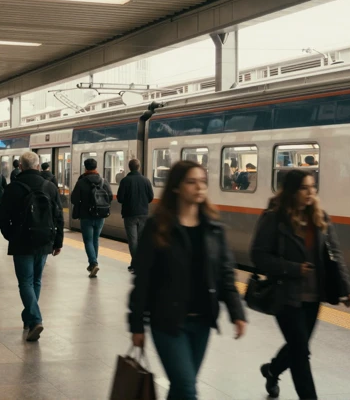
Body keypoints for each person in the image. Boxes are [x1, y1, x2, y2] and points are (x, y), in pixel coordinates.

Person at [129, 161, 246, 400]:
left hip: (202, 321)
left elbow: (225, 274)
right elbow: (143, 280)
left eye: (203, 182)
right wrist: (137, 324)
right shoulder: (158, 227)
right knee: (187, 388)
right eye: (191, 182)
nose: (199, 188)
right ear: (176, 187)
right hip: (168, 321)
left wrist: (237, 311)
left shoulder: (213, 228)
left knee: (182, 386)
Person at [251, 169, 350, 400]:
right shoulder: (274, 218)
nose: (311, 192)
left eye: (313, 187)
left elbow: (335, 254)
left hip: (313, 296)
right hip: (285, 295)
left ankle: (272, 370)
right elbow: (258, 255)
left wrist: (347, 288)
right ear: (291, 191)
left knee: (298, 347)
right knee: (301, 352)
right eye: (304, 188)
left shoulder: (320, 217)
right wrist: (292, 268)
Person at [0, 151, 63, 342]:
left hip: (21, 242)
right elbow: (58, 216)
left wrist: (11, 235)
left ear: (21, 167)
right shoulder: (50, 187)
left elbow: (2, 216)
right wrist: (57, 242)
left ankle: (35, 319)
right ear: (37, 166)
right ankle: (29, 317)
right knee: (36, 281)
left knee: (25, 282)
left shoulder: (13, 188)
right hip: (44, 241)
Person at [71, 158, 113, 278]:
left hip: (86, 215)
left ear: (85, 167)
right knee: (95, 239)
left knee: (88, 240)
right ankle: (93, 263)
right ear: (96, 167)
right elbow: (110, 196)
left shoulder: (81, 181)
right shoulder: (103, 181)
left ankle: (93, 263)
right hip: (100, 215)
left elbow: (74, 199)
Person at [117, 159, 154, 273]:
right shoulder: (146, 180)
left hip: (129, 214)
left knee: (133, 241)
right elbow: (151, 197)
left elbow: (120, 199)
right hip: (143, 213)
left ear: (129, 167)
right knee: (141, 240)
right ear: (139, 167)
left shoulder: (125, 181)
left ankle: (136, 263)